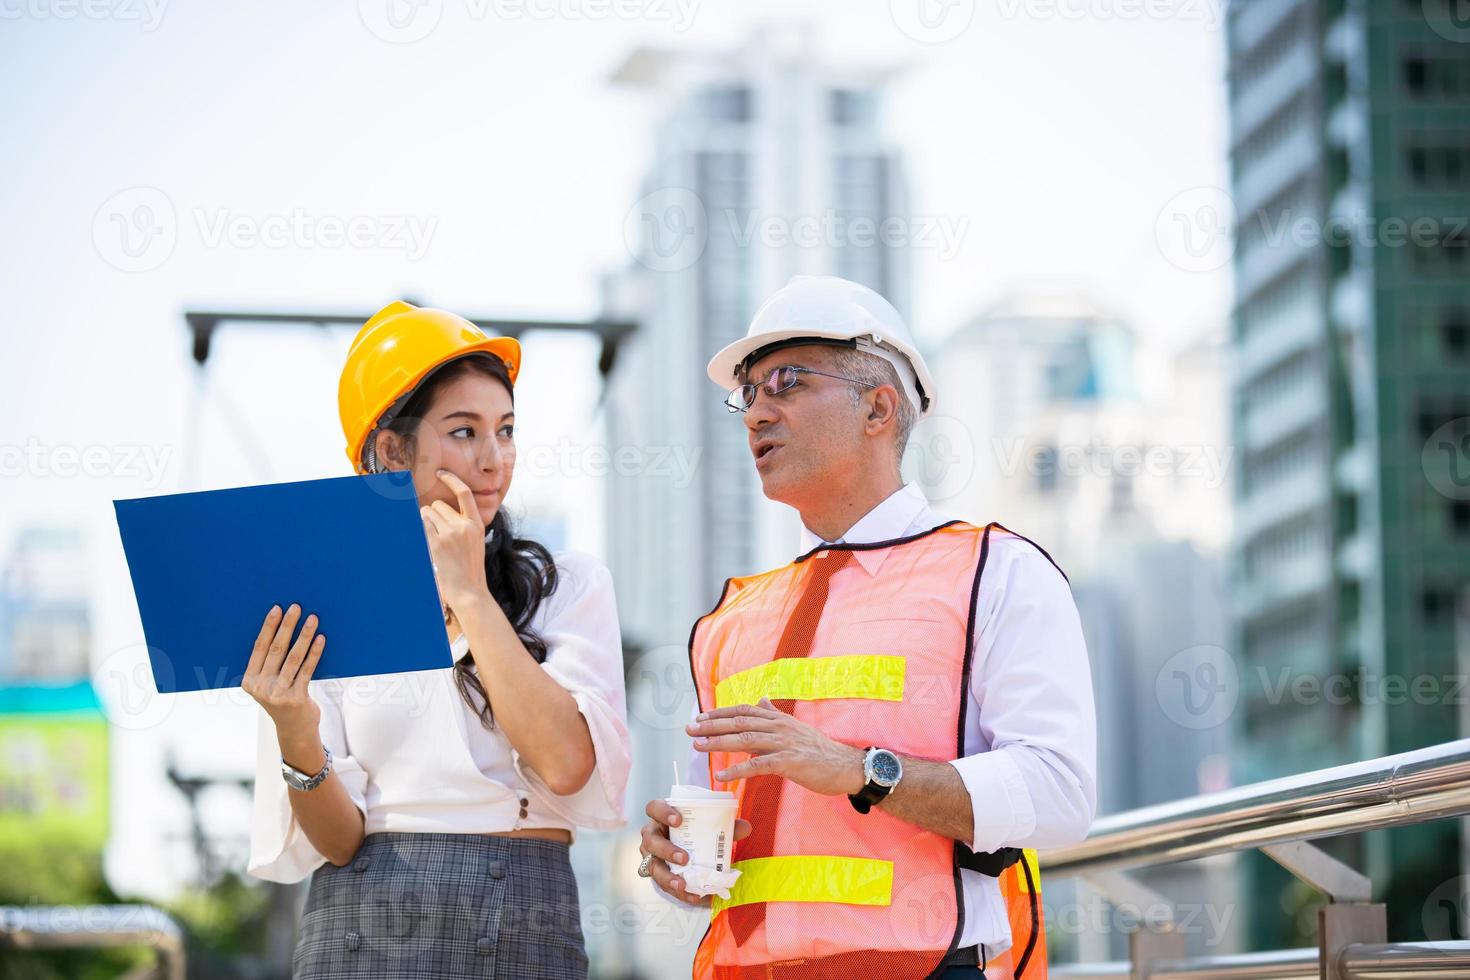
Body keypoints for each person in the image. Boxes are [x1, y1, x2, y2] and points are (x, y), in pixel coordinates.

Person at [637, 276, 1097, 979]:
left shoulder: (995, 571)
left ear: (879, 407)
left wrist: (861, 771)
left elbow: (1060, 796)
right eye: (748, 393)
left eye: (786, 383)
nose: (756, 413)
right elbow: (733, 857)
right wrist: (680, 861)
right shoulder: (728, 620)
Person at [244, 301, 630, 979]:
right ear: (393, 451)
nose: (493, 460)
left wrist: (471, 593)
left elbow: (568, 763)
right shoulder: (327, 605)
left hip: (518, 924)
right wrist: (292, 729)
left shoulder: (566, 586)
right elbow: (339, 842)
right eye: (464, 432)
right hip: (355, 934)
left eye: (506, 431)